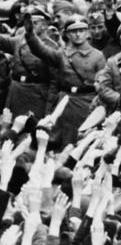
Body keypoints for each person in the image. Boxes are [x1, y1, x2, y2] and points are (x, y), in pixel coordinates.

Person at [24, 14, 106, 146]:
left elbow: (103, 83)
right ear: (67, 34)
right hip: (65, 102)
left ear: (87, 32)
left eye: (81, 30)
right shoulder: (62, 54)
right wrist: (30, 34)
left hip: (87, 102)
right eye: (74, 31)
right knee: (61, 140)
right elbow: (42, 51)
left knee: (82, 139)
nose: (78, 34)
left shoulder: (98, 56)